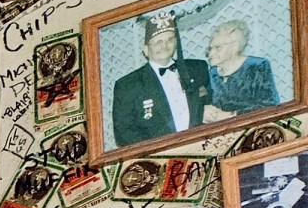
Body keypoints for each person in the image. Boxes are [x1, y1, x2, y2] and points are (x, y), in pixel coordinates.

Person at [111, 10, 214, 148]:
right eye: (158, 42)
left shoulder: (197, 69)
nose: (164, 46)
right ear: (145, 50)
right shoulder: (128, 85)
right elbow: (124, 134)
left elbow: (211, 104)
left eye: (169, 39)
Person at [202, 19, 279, 120]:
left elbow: (271, 106)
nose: (210, 54)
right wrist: (202, 110)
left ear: (235, 47)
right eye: (210, 48)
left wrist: (231, 115)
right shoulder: (209, 74)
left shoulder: (257, 66)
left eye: (218, 47)